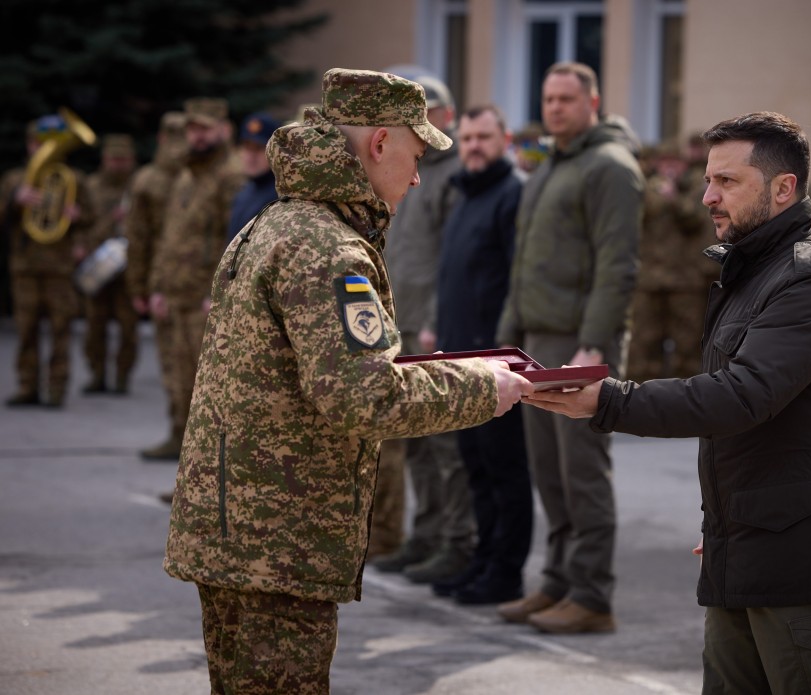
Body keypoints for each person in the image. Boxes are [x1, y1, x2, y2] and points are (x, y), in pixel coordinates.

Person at [163, 68, 533, 695]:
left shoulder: (276, 224)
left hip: (239, 535)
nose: (417, 178)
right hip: (277, 545)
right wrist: (483, 388)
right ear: (380, 143)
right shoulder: (327, 248)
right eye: (415, 156)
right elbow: (364, 395)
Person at [524, 111, 811, 694]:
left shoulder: (808, 280)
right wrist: (725, 526)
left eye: (727, 182)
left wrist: (608, 401)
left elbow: (740, 397)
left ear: (783, 188)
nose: (706, 196)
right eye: (708, 179)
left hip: (805, 564)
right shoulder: (754, 267)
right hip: (744, 544)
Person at [495, 61, 645, 634]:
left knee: (581, 469)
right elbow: (524, 263)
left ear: (593, 101)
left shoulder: (609, 167)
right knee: (549, 471)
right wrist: (510, 338)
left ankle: (592, 595)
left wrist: (593, 345)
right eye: (548, 98)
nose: (554, 107)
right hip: (537, 337)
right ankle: (558, 582)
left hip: (576, 341)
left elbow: (617, 266)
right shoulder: (549, 168)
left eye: (565, 98)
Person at [370, 74, 476, 583]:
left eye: (427, 111)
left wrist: (435, 320)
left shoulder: (454, 176)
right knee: (413, 441)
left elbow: (451, 262)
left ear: (447, 117)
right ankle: (425, 534)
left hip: (432, 326)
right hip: (399, 322)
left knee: (444, 443)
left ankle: (456, 541)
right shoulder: (407, 171)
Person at [430, 104, 533, 605]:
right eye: (466, 137)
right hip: (458, 358)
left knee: (504, 468)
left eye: (483, 137)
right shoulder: (462, 193)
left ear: (505, 139)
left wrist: (507, 354)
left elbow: (518, 279)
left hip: (495, 362)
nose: (472, 146)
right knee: (474, 466)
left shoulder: (512, 194)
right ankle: (481, 559)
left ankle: (505, 571)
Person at [146, 98, 244, 463]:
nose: (197, 136)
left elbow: (233, 241)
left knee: (203, 390)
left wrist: (216, 294)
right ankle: (179, 448)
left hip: (204, 299)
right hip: (176, 294)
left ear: (224, 130)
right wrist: (157, 285)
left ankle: (199, 473)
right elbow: (169, 235)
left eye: (204, 128)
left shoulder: (230, 176)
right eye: (192, 128)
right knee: (177, 381)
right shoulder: (187, 173)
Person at [1, 114, 96, 408]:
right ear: (30, 145)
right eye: (40, 144)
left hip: (60, 268)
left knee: (60, 329)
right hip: (25, 266)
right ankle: (28, 386)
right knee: (27, 329)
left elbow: (92, 218)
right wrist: (15, 201)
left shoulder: (74, 179)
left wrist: (78, 217)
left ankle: (57, 389)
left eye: (53, 144)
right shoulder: (15, 180)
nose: (46, 151)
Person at [124, 111, 188, 458]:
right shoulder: (189, 176)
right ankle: (181, 439)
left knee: (176, 370)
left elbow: (140, 239)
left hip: (171, 284)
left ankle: (180, 437)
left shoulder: (153, 178)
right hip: (179, 285)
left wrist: (141, 288)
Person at [626, 138, 714, 382]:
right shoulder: (646, 187)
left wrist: (674, 197)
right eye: (664, 162)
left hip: (685, 281)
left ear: (683, 164)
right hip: (649, 281)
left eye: (673, 162)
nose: (669, 167)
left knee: (688, 348)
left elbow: (695, 219)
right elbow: (639, 215)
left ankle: (687, 404)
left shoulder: (699, 188)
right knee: (643, 347)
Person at [81, 133, 139, 395]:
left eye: (123, 160)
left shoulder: (139, 187)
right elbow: (83, 226)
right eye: (113, 159)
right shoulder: (91, 187)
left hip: (130, 269)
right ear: (105, 159)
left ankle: (122, 377)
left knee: (129, 328)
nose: (118, 165)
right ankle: (97, 375)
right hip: (99, 266)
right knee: (95, 325)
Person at [226, 112, 280, 244]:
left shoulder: (278, 197)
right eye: (247, 148)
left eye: (258, 149)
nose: (251, 156)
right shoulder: (244, 192)